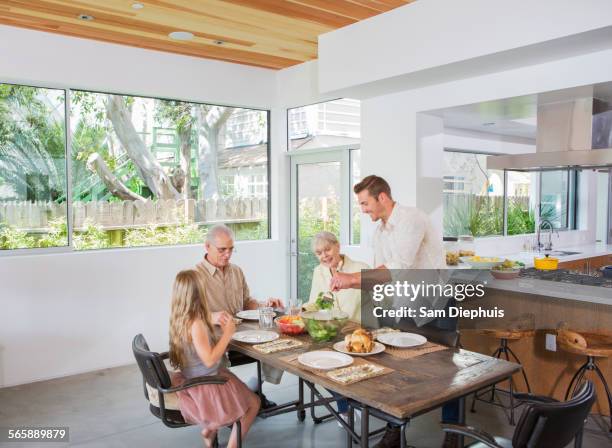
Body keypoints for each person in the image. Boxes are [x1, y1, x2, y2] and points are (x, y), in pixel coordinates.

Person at [330, 175, 460, 448]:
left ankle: (454, 434)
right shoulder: (379, 233)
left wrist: (351, 279)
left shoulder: (412, 219)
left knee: (447, 372)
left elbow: (399, 266)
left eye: (365, 203)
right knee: (397, 368)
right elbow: (382, 275)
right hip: (406, 307)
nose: (363, 210)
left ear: (383, 198)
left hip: (435, 304)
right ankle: (394, 429)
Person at [194, 224, 283, 409]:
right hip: (217, 338)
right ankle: (227, 403)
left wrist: (264, 305)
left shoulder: (236, 271)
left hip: (243, 333)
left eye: (231, 249)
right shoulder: (194, 276)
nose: (227, 254)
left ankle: (253, 390)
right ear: (207, 246)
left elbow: (246, 302)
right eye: (222, 250)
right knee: (216, 363)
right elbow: (187, 315)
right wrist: (212, 317)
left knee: (280, 343)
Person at [169, 270, 260, 448]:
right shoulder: (196, 324)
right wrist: (228, 333)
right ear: (198, 293)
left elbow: (199, 348)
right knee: (253, 404)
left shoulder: (180, 318)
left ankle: (210, 430)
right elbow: (209, 360)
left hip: (193, 377)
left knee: (244, 397)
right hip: (208, 382)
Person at [307, 231, 369, 426]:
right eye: (319, 253)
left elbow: (380, 300)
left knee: (333, 366)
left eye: (327, 249)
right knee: (314, 365)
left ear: (338, 246)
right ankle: (346, 405)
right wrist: (299, 311)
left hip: (358, 331)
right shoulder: (319, 271)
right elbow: (314, 303)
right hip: (333, 331)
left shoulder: (360, 269)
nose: (324, 256)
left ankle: (346, 407)